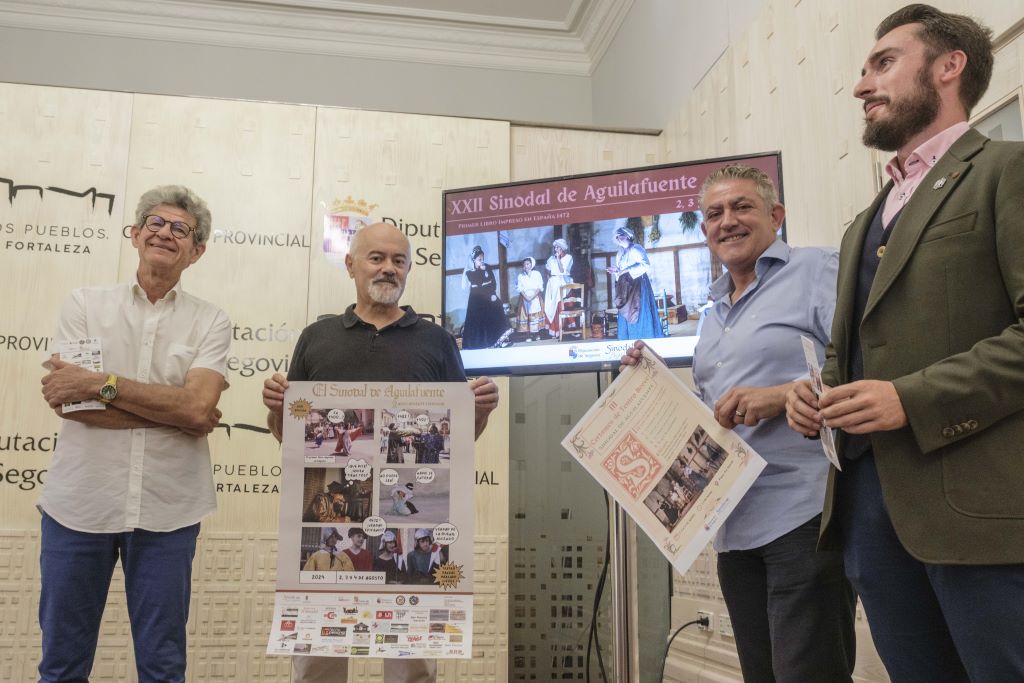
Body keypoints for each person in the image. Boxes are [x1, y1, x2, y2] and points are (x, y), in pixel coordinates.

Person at [785, 6, 1024, 681]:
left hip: (979, 518)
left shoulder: (1007, 170)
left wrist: (910, 400)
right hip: (867, 518)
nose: (862, 85)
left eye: (884, 63)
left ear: (949, 67)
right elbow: (855, 352)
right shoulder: (863, 222)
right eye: (864, 69)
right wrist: (816, 395)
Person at [623, 165, 854, 683]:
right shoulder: (711, 319)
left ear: (776, 215)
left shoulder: (818, 269)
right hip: (733, 526)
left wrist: (781, 395)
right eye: (714, 213)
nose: (727, 221)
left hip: (805, 515)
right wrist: (652, 386)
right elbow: (714, 420)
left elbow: (864, 363)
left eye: (742, 206)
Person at [262, 221, 499, 683]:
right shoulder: (316, 337)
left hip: (408, 512)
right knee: (316, 666)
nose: (389, 268)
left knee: (413, 668)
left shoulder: (436, 340)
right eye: (377, 258)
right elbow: (288, 439)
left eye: (399, 261)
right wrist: (277, 409)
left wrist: (481, 410)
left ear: (408, 270)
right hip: (336, 529)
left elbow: (460, 439)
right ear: (351, 265)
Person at [37, 185, 230, 683]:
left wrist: (102, 384)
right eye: (155, 223)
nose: (165, 233)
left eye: (180, 229)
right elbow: (72, 404)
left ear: (197, 251)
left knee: (163, 668)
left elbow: (198, 407)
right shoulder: (84, 304)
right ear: (135, 234)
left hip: (169, 512)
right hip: (78, 507)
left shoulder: (211, 320)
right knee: (61, 666)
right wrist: (179, 414)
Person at [607, 225, 664, 340]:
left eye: (620, 236)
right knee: (626, 311)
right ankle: (628, 338)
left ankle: (644, 337)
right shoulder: (620, 253)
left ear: (628, 236)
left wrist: (627, 270)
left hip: (638, 285)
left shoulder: (635, 249)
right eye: (617, 237)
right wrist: (616, 270)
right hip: (625, 286)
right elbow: (621, 269)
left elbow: (645, 265)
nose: (618, 239)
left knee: (639, 310)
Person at [461, 245, 509, 349]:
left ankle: (500, 339)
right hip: (477, 297)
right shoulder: (470, 272)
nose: (482, 261)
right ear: (473, 260)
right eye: (479, 259)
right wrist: (481, 270)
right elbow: (478, 282)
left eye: (482, 259)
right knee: (480, 317)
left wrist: (493, 294)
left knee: (498, 306)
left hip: (489, 294)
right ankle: (482, 343)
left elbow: (493, 282)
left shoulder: (487, 267)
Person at [543, 238, 573, 336]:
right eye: (555, 247)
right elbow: (547, 270)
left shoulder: (568, 257)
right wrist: (549, 280)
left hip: (563, 282)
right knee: (551, 307)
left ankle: (565, 329)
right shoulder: (551, 259)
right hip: (553, 283)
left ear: (562, 248)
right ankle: (554, 330)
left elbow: (562, 270)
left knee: (560, 305)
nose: (556, 249)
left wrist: (558, 259)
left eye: (558, 247)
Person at [515, 256, 544, 340]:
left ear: (531, 265)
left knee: (535, 316)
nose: (526, 266)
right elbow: (520, 288)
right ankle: (528, 335)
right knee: (526, 316)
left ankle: (536, 334)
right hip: (525, 298)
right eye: (524, 265)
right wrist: (527, 297)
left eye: (528, 264)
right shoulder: (520, 276)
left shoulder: (537, 274)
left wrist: (532, 297)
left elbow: (539, 287)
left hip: (535, 297)